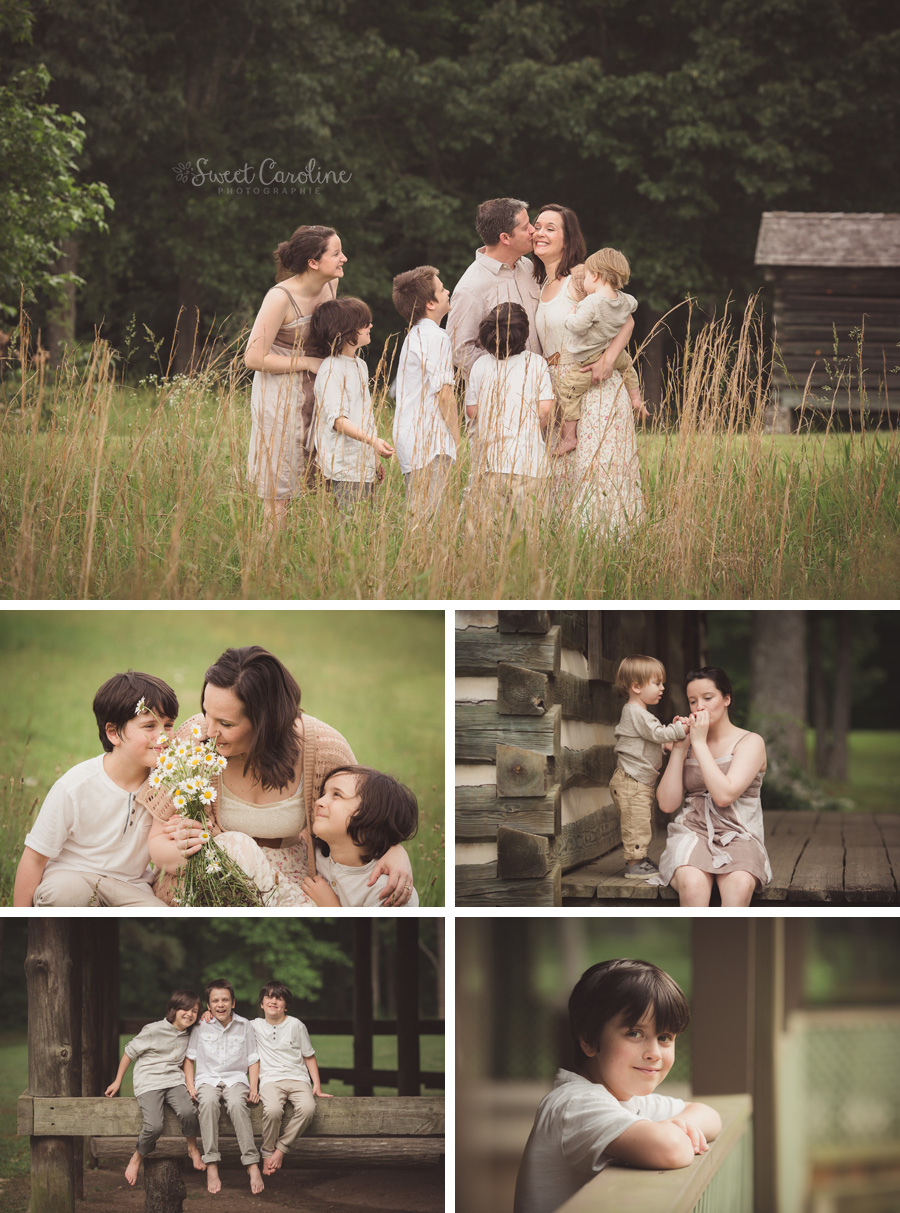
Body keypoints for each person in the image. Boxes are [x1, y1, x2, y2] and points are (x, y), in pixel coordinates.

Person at [141, 646, 415, 906]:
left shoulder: (323, 747)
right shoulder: (194, 741)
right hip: (208, 880)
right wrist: (188, 853)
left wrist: (394, 849)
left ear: (265, 722)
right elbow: (157, 845)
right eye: (206, 713)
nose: (209, 731)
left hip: (290, 887)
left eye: (226, 723)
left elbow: (365, 810)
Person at [514, 958, 722, 1213]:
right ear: (589, 1040)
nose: (654, 1053)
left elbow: (710, 1115)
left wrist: (676, 1127)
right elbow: (672, 1150)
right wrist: (669, 1133)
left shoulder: (629, 1099)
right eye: (635, 1033)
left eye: (665, 1037)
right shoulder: (574, 1104)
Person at [12, 671, 182, 907]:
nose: (163, 735)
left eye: (169, 725)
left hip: (130, 886)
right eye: (149, 725)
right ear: (113, 733)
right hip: (73, 876)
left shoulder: (168, 783)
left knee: (158, 913)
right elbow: (34, 859)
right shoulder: (75, 785)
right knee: (63, 894)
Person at [531, 203, 644, 532]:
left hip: (593, 385)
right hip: (559, 391)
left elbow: (627, 317)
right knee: (565, 473)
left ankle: (608, 544)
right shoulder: (541, 284)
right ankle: (569, 550)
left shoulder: (579, 276)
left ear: (568, 239)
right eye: (537, 226)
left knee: (595, 466)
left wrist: (608, 361)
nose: (540, 232)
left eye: (551, 228)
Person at [244, 225, 346, 529]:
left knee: (327, 481)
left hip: (320, 397)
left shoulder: (330, 286)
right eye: (337, 253)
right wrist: (308, 363)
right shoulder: (280, 298)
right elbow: (253, 357)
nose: (344, 259)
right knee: (281, 491)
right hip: (282, 399)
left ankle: (320, 562)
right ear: (313, 263)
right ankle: (266, 563)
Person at [655, 667, 772, 907]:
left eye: (708, 698)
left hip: (740, 834)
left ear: (726, 699)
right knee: (693, 885)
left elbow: (723, 796)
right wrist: (680, 748)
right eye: (693, 701)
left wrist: (698, 743)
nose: (700, 707)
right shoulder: (688, 741)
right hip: (692, 832)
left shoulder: (750, 742)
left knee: (739, 886)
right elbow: (667, 804)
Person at [104, 989, 206, 1188]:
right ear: (174, 1009)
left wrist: (207, 1014)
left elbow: (211, 1022)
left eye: (195, 1011)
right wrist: (117, 1081)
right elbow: (128, 1054)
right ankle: (137, 1157)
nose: (190, 1014)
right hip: (149, 1081)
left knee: (189, 1111)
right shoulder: (153, 1029)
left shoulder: (192, 1032)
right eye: (185, 1009)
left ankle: (192, 1149)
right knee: (154, 1126)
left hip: (174, 1080)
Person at [463, 302, 554, 518]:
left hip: (490, 464)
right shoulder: (537, 363)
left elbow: (472, 411)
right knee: (528, 531)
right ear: (524, 335)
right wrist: (531, 426)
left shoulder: (480, 365)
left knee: (491, 531)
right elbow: (545, 409)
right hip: (530, 463)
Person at [556, 247, 647, 455]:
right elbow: (634, 304)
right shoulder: (624, 300)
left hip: (590, 356)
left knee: (569, 391)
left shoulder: (592, 302)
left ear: (595, 276)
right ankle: (636, 399)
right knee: (628, 367)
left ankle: (569, 438)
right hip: (612, 352)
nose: (585, 281)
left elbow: (578, 326)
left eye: (587, 276)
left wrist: (570, 315)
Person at [308, 297, 395, 512]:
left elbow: (364, 416)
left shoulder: (360, 365)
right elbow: (338, 421)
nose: (370, 326)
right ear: (346, 331)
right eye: (364, 323)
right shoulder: (331, 369)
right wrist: (373, 441)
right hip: (344, 465)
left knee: (365, 525)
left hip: (362, 462)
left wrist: (373, 459)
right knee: (349, 525)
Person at [447, 198, 542, 381]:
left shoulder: (528, 267)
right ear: (505, 238)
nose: (533, 230)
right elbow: (458, 349)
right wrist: (503, 373)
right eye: (525, 227)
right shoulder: (471, 287)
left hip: (541, 389)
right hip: (501, 396)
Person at [391, 266, 459, 522]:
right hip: (429, 442)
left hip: (412, 437)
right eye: (442, 290)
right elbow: (445, 394)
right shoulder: (436, 337)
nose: (448, 291)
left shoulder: (415, 334)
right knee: (428, 519)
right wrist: (457, 440)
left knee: (420, 514)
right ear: (431, 303)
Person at [184, 979, 264, 1196]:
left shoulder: (245, 1026)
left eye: (225, 1000)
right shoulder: (200, 1026)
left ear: (233, 1003)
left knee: (238, 1104)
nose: (220, 1004)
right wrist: (190, 1085)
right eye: (215, 1001)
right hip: (206, 1079)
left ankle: (251, 1164)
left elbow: (252, 1059)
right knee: (207, 1103)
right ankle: (211, 1165)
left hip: (235, 1078)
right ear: (208, 1006)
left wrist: (254, 1086)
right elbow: (189, 1059)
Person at [610, 656, 687, 881]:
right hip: (631, 781)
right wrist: (679, 728)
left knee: (641, 820)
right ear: (636, 687)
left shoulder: (639, 714)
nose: (662, 688)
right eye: (657, 683)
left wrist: (667, 742)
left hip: (635, 780)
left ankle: (639, 859)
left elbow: (651, 742)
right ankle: (634, 864)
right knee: (636, 822)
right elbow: (658, 734)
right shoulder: (636, 713)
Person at [300, 765, 420, 906]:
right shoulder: (313, 851)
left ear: (372, 815)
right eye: (323, 794)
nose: (318, 802)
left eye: (337, 794)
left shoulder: (386, 891)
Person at [254, 981, 331, 1177]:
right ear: (261, 1004)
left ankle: (280, 1150)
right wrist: (207, 1014)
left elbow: (308, 1055)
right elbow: (227, 1019)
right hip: (271, 1079)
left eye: (279, 999)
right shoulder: (253, 1026)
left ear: (285, 1006)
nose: (273, 1001)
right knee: (272, 1110)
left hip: (298, 1078)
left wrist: (317, 1085)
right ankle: (267, 1152)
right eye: (269, 997)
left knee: (308, 1108)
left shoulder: (296, 1025)